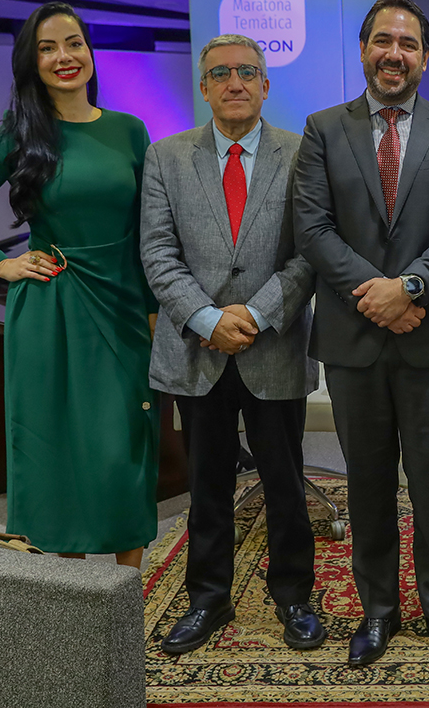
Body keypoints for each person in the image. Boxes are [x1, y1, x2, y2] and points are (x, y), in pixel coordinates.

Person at [289, 0, 429, 669]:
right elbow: (311, 227)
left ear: (425, 58)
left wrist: (407, 287)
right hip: (353, 335)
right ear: (365, 49)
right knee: (367, 482)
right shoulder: (322, 128)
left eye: (407, 44)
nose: (393, 54)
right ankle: (377, 611)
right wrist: (374, 294)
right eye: (382, 41)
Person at [0, 2, 158, 568]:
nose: (65, 56)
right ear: (31, 63)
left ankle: (124, 593)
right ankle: (72, 599)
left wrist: (156, 309)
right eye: (48, 47)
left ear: (89, 52)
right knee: (55, 447)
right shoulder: (18, 133)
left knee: (122, 444)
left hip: (122, 304)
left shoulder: (129, 131)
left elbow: (147, 231)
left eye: (74, 43)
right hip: (51, 305)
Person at [140, 34, 320, 655]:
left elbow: (309, 255)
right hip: (197, 350)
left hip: (273, 346)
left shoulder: (301, 155)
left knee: (285, 482)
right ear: (204, 86)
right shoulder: (166, 157)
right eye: (221, 74)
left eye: (248, 72)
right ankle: (208, 598)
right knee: (207, 483)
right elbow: (157, 253)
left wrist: (257, 312)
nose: (235, 82)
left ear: (266, 85)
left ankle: (294, 595)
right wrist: (206, 317)